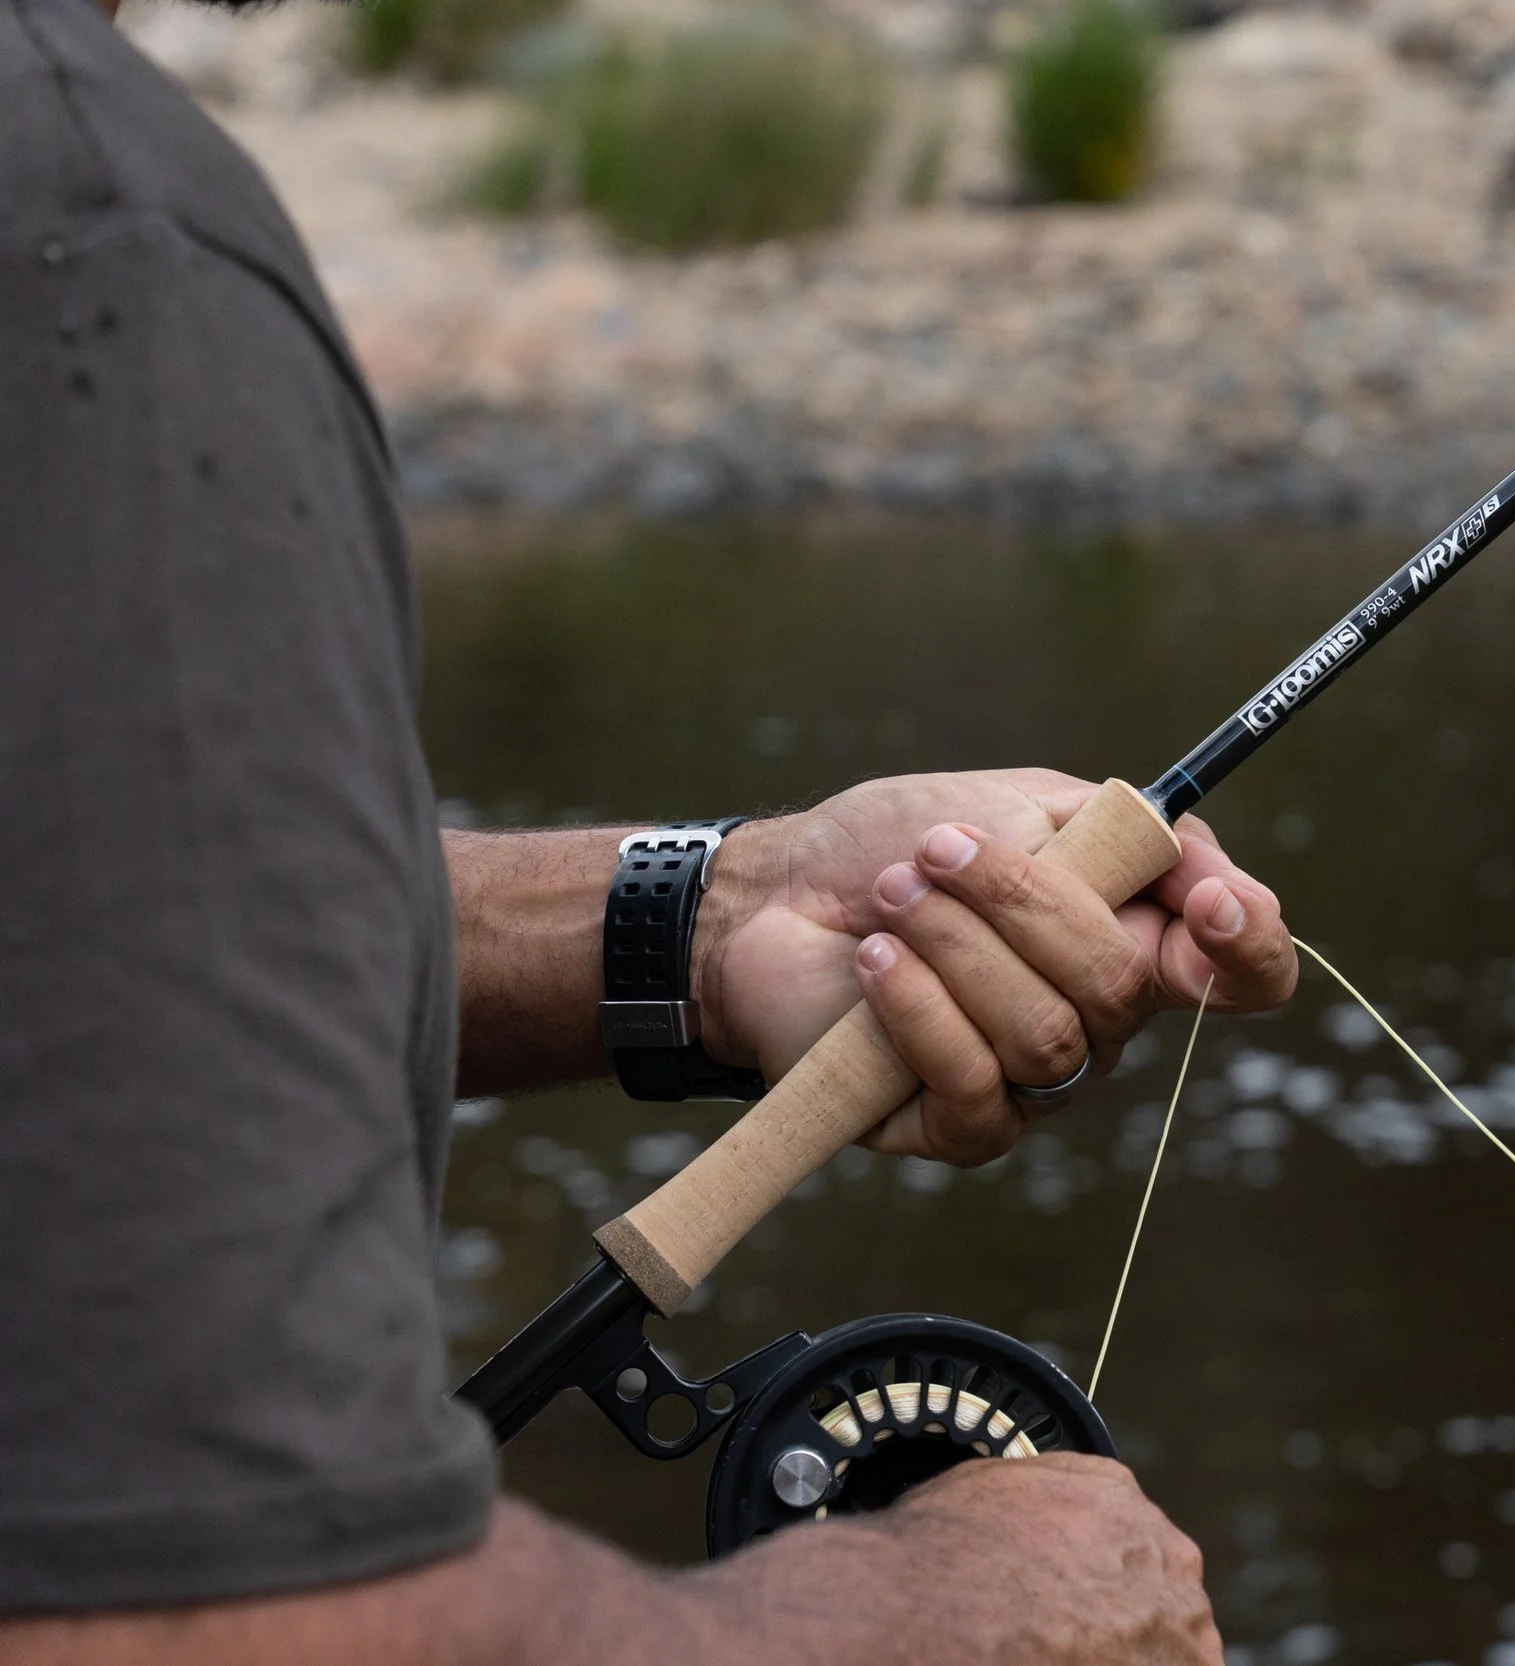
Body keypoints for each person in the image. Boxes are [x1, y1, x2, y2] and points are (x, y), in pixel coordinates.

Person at [0, 0, 1298, 1654]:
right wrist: (926, 1619)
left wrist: (707, 919)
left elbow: (71, 930)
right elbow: (194, 1630)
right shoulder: (85, 235)